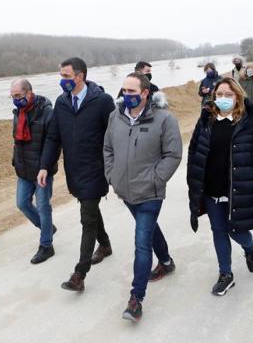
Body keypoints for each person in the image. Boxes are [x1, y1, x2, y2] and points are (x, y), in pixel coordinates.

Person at [104, 72, 182, 322]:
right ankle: (167, 262)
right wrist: (112, 175)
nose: (126, 95)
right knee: (147, 229)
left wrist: (156, 180)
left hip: (150, 192)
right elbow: (107, 148)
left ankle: (136, 299)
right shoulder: (114, 117)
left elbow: (173, 154)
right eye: (124, 91)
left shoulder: (164, 119)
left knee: (141, 241)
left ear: (145, 93)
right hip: (125, 190)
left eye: (131, 91)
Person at [187, 77, 253, 296]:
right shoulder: (206, 119)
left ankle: (250, 245)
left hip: (239, 188)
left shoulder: (249, 120)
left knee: (236, 230)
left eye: (229, 94)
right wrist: (193, 179)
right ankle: (226, 274)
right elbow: (194, 149)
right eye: (220, 94)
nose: (223, 98)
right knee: (219, 231)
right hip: (211, 189)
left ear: (238, 96)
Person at [38, 57, 115, 292]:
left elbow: (114, 135)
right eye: (61, 76)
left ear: (80, 76)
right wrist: (44, 166)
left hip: (96, 169)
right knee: (89, 210)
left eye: (66, 76)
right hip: (74, 170)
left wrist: (117, 166)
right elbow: (53, 137)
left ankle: (79, 273)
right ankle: (105, 245)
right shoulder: (62, 103)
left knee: (87, 218)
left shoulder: (102, 102)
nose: (62, 81)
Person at [10, 78, 59, 264]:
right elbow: (17, 141)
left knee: (43, 206)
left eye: (18, 96)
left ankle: (46, 245)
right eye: (13, 96)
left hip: (41, 170)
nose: (15, 99)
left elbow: (53, 142)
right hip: (23, 170)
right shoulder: (18, 113)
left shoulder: (46, 112)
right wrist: (15, 161)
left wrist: (45, 167)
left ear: (29, 93)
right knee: (22, 203)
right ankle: (47, 228)